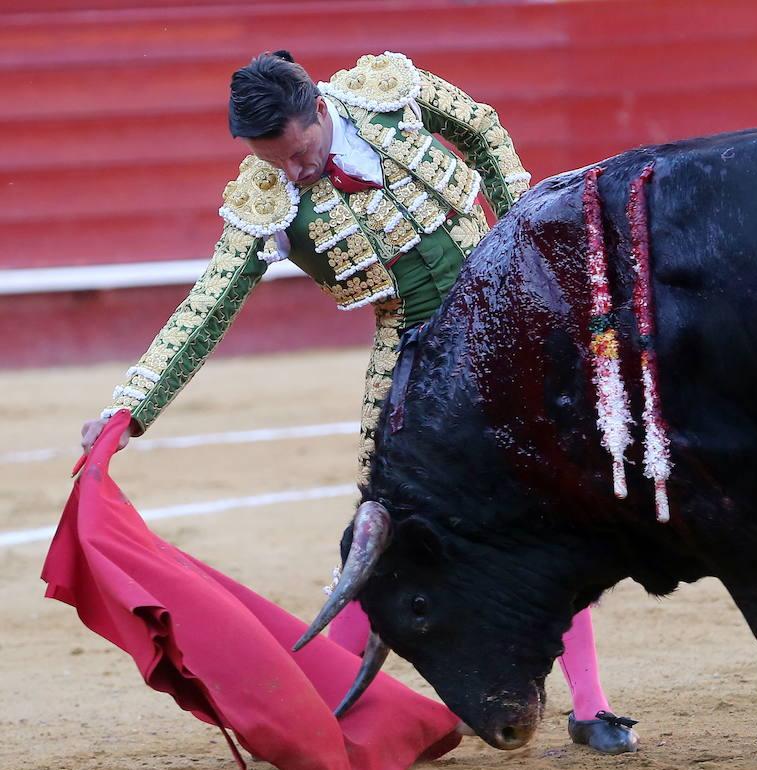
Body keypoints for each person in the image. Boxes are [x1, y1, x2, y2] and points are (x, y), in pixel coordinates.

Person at [78, 50, 638, 754]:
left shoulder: (387, 95)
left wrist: (517, 227)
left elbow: (484, 130)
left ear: (318, 107)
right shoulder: (267, 197)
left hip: (505, 321)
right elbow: (208, 306)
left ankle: (591, 706)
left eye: (298, 151)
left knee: (550, 504)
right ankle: (333, 703)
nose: (292, 171)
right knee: (384, 534)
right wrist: (131, 408)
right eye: (273, 160)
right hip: (410, 358)